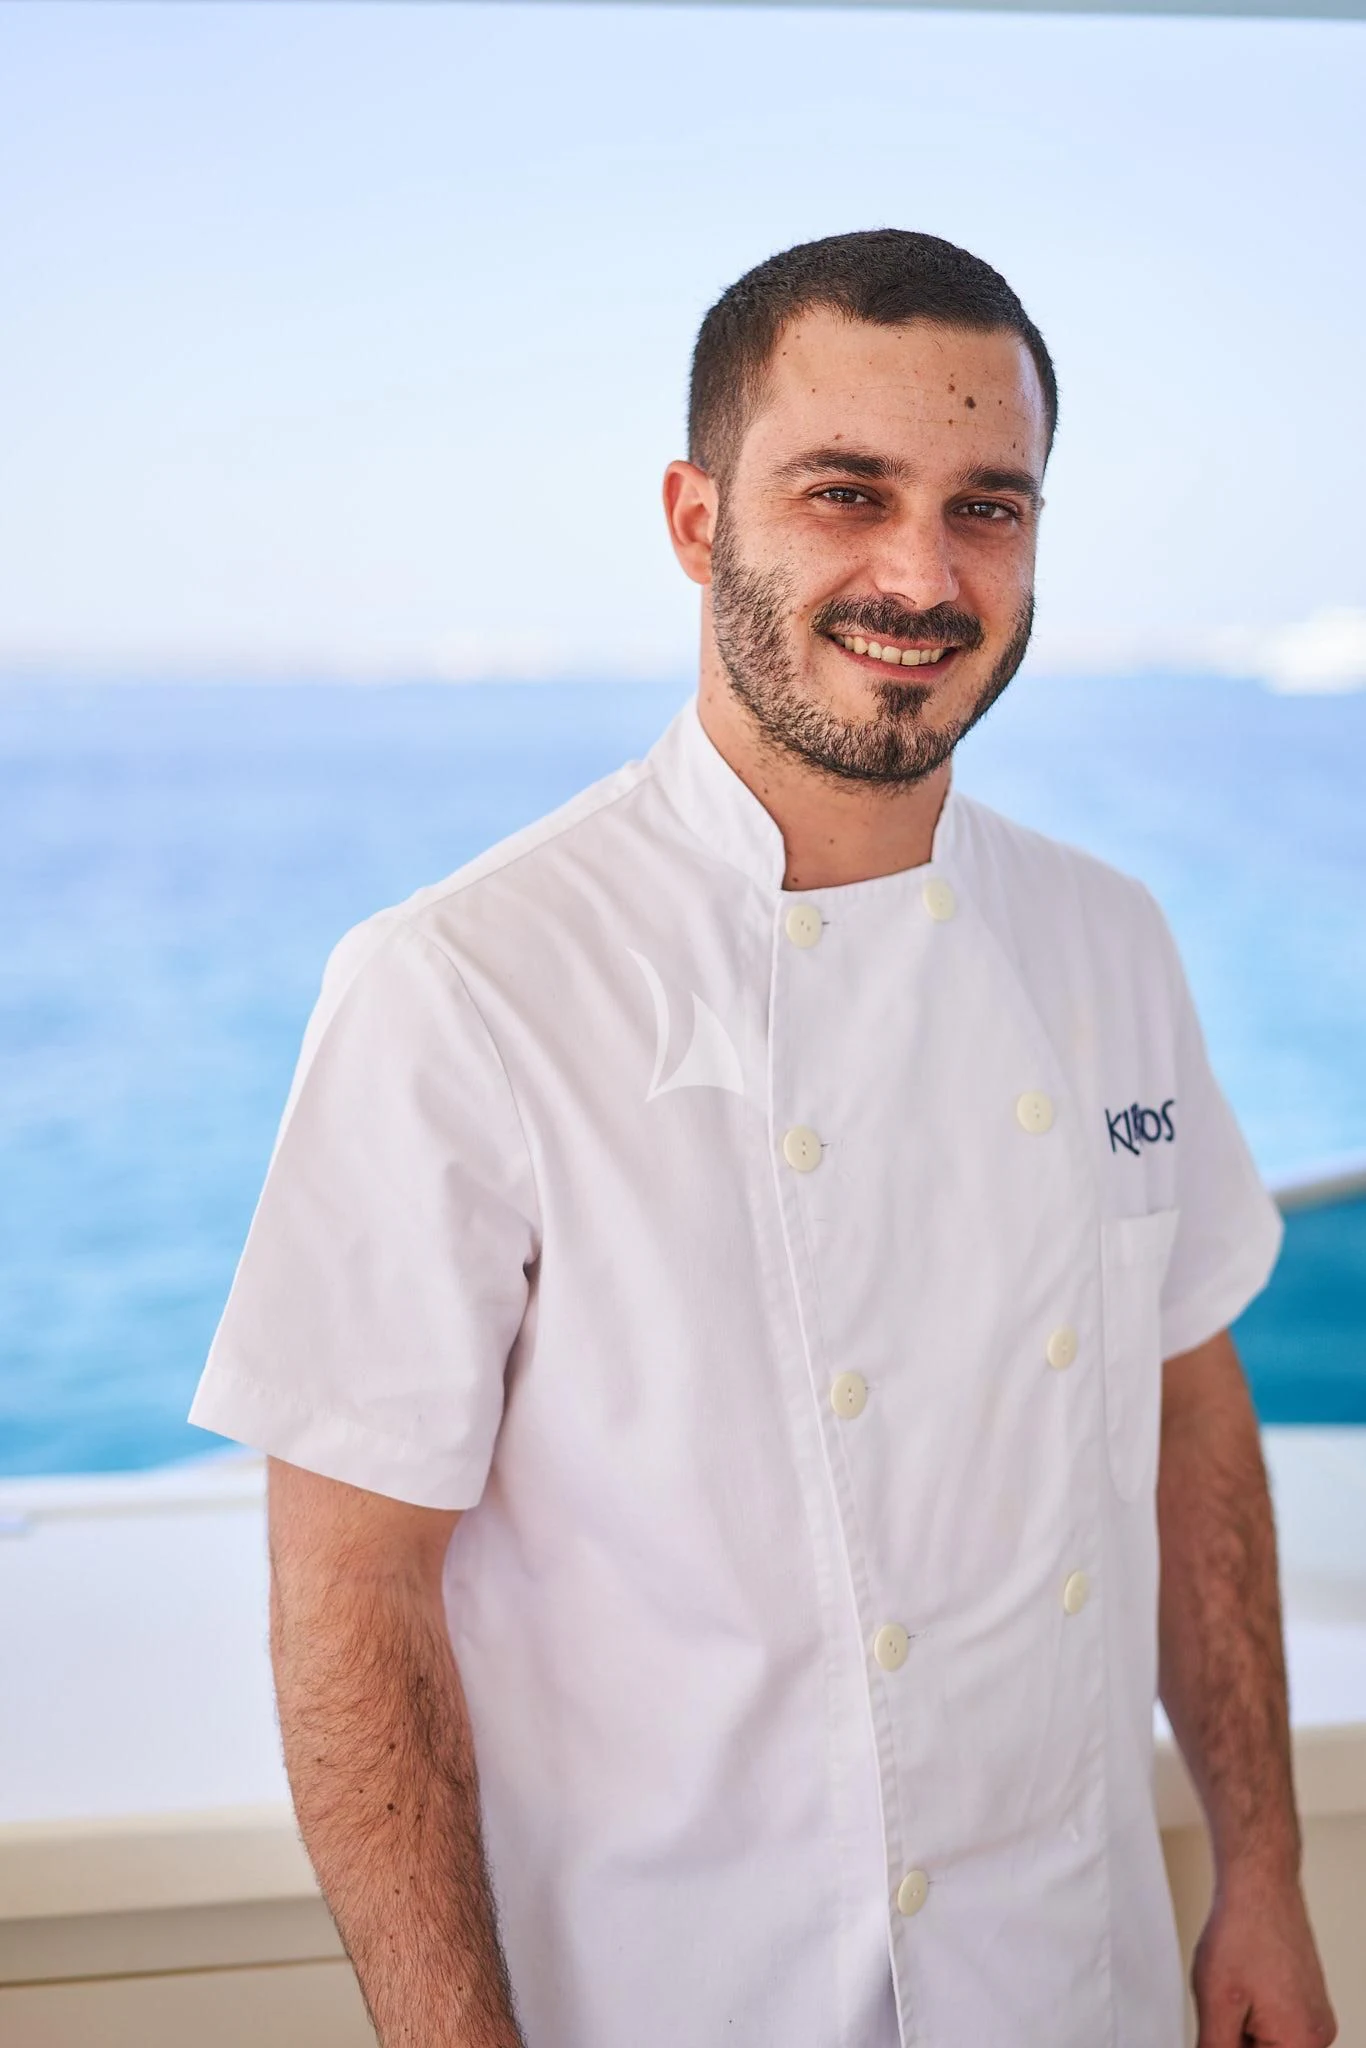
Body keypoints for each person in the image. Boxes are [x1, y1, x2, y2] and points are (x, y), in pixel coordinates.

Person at [189, 229, 1336, 2048]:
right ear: (694, 518)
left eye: (987, 507)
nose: (920, 572)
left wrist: (1260, 1875)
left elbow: (1192, 1413)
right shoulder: (464, 985)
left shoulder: (1107, 937)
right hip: (671, 1997)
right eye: (843, 493)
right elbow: (351, 1594)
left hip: (1080, 1978)